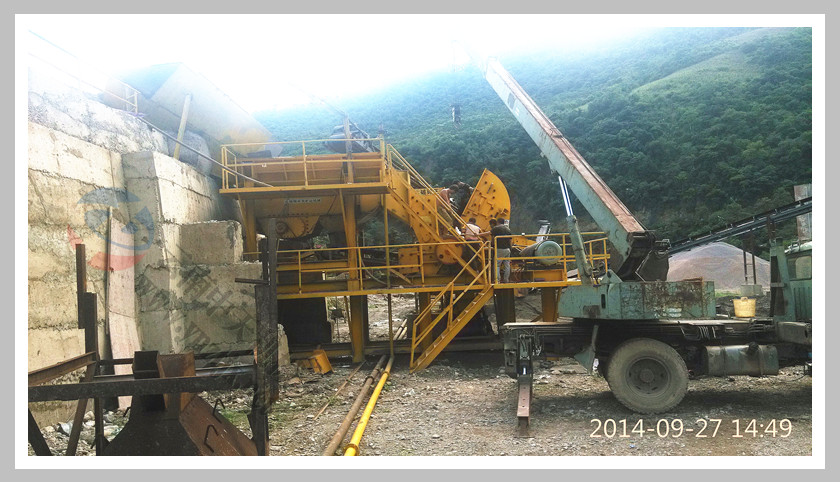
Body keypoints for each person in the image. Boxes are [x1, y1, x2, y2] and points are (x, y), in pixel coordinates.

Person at [490, 218, 512, 283]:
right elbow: (510, 240)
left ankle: (497, 280)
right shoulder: (508, 229)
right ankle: (506, 280)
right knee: (507, 265)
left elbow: (490, 235)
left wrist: (478, 234)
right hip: (507, 249)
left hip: (499, 249)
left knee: (497, 265)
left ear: (497, 222)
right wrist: (510, 248)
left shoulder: (496, 228)